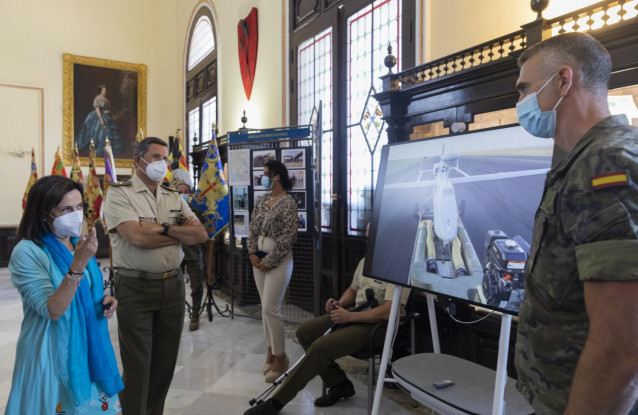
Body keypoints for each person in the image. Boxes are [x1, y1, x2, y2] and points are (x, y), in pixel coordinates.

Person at [513, 32, 638, 415]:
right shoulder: (586, 159)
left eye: (524, 89)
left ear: (563, 81)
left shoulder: (607, 165)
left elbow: (622, 343)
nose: (521, 103)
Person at [244, 225, 410, 415]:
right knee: (305, 332)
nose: (367, 240)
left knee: (321, 346)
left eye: (371, 237)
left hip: (380, 327)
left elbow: (389, 311)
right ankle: (339, 383)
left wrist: (350, 316)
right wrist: (340, 303)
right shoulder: (367, 261)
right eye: (367, 236)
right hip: (357, 314)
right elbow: (353, 290)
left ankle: (276, 402)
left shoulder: (399, 266)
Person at [103, 137, 208, 415]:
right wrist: (175, 233)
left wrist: (160, 229)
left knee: (164, 366)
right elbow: (136, 237)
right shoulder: (119, 193)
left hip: (172, 287)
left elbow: (199, 235)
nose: (162, 164)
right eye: (156, 157)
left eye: (165, 159)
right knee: (138, 366)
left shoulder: (173, 195)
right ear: (138, 161)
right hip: (134, 287)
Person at [6, 175, 123, 414]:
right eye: (65, 209)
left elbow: (85, 295)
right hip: (52, 353)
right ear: (43, 212)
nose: (75, 214)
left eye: (79, 207)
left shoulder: (77, 242)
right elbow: (53, 310)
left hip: (90, 353)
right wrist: (77, 265)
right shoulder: (28, 251)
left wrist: (104, 302)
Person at [247, 159, 298, 383]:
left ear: (276, 176)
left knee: (271, 308)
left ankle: (280, 357)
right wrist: (252, 253)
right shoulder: (261, 200)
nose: (263, 177)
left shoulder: (288, 203)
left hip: (279, 261)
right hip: (258, 259)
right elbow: (252, 228)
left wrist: (271, 260)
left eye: (266, 173)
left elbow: (288, 237)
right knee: (264, 309)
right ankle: (269, 350)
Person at [172, 168, 206, 331]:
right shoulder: (170, 211)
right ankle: (175, 316)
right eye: (180, 191)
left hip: (193, 254)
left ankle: (195, 316)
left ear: (190, 194)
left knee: (196, 287)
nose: (183, 194)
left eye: (186, 191)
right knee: (175, 289)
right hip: (175, 255)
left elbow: (199, 233)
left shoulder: (196, 211)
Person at [76, 84, 121, 156]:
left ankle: (108, 149)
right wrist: (101, 120)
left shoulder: (105, 98)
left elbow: (107, 108)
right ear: (100, 91)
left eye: (105, 90)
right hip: (98, 116)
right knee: (100, 132)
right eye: (103, 90)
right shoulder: (98, 98)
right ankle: (99, 149)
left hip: (107, 116)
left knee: (109, 132)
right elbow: (97, 109)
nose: (105, 91)